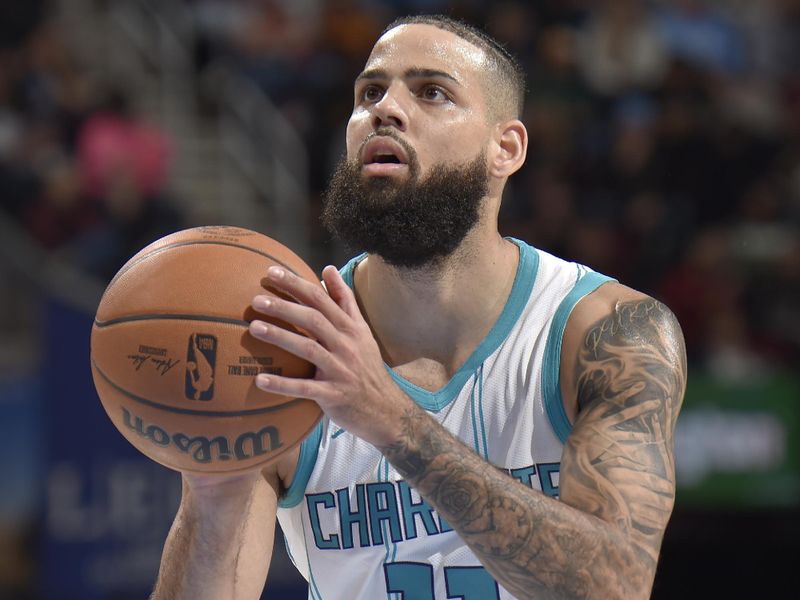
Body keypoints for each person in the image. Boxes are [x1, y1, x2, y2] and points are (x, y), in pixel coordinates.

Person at [151, 14, 685, 600]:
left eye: (432, 92)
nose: (385, 108)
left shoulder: (606, 331)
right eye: (369, 92)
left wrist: (392, 420)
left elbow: (618, 585)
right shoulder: (286, 349)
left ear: (505, 148)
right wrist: (212, 501)